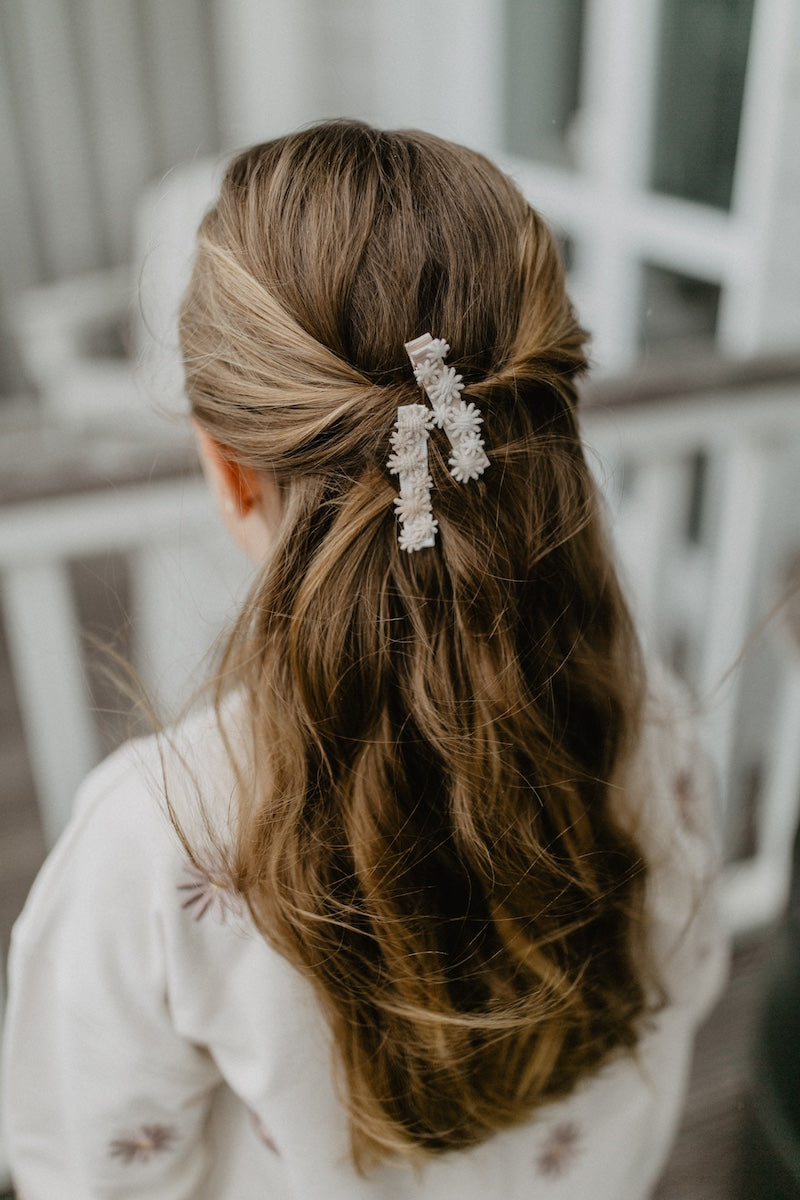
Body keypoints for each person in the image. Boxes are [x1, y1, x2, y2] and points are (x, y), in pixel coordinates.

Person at [1, 121, 727, 1200]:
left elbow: (85, 1170)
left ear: (228, 471)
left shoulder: (155, 849)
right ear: (547, 421)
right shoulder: (648, 724)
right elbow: (680, 1005)